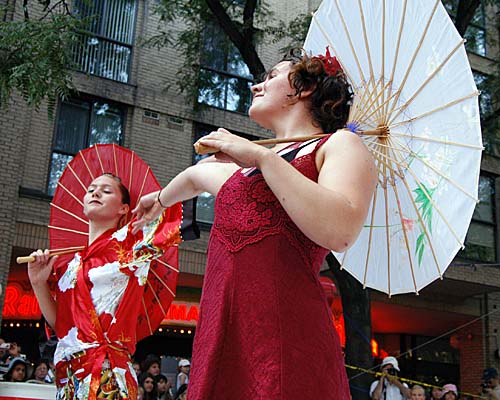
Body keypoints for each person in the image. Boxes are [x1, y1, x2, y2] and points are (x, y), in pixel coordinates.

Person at [133, 47, 377, 399]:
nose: (255, 87)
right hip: (221, 338)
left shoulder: (339, 144)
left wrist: (260, 155)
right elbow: (196, 175)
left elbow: (340, 230)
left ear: (304, 88)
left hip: (288, 341)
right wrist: (157, 202)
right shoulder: (245, 169)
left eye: (272, 76)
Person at [27, 173, 182, 399]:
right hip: (69, 377)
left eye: (106, 190)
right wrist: (38, 283)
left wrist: (160, 199)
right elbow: (62, 326)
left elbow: (175, 216)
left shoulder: (132, 245)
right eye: (91, 189)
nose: (95, 192)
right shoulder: (73, 264)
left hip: (107, 375)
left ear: (124, 209)